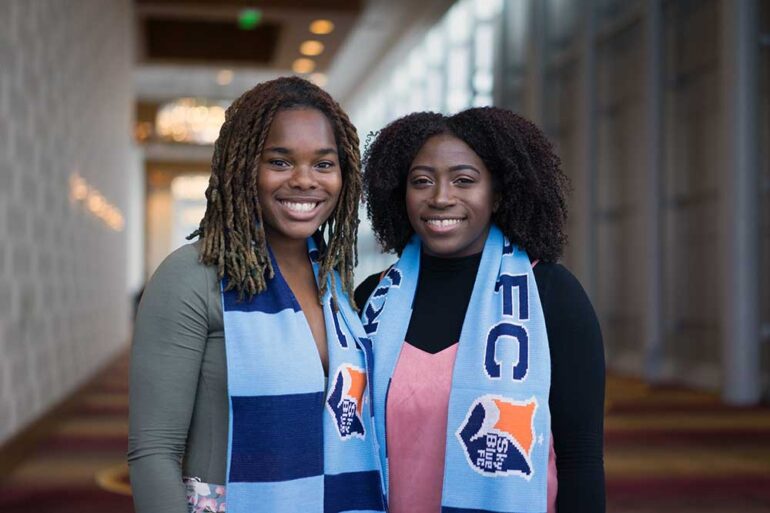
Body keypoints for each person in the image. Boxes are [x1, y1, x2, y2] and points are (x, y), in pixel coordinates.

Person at [128, 77, 384, 513]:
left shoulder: (334, 281)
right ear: (244, 166)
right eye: (280, 162)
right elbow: (153, 452)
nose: (305, 181)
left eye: (324, 164)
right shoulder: (191, 276)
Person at [355, 108, 605, 513]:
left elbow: (581, 457)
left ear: (499, 194)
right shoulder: (371, 299)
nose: (440, 197)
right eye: (422, 181)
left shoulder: (552, 296)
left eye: (464, 181)